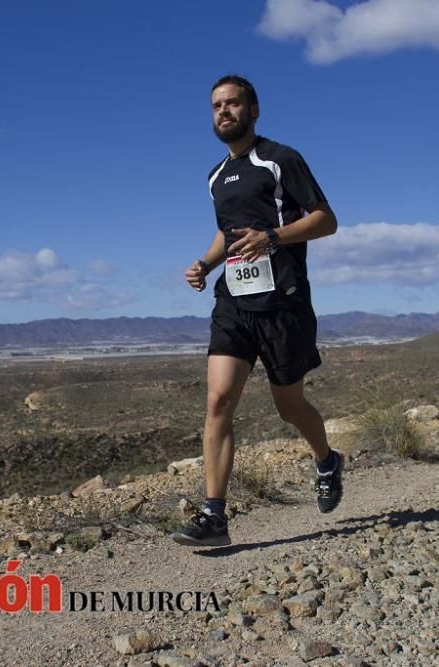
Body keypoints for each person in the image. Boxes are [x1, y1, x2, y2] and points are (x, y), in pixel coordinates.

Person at [171, 75, 341, 547]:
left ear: (254, 109)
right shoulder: (214, 177)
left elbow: (326, 220)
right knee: (218, 401)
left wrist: (273, 237)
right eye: (216, 106)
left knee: (289, 407)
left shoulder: (280, 158)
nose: (224, 112)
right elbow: (228, 233)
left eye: (233, 103)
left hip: (282, 302)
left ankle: (326, 460)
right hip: (234, 303)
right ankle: (215, 516)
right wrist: (206, 263)